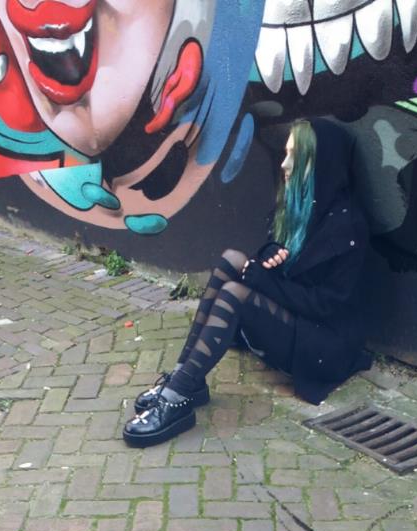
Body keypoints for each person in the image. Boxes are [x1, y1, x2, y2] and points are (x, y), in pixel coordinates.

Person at [123, 116, 373, 448]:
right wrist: (269, 254)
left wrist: (266, 281)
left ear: (318, 163)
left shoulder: (347, 229)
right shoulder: (302, 207)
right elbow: (282, 267)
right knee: (231, 260)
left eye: (294, 156)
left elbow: (324, 306)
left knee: (235, 295)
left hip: (323, 345)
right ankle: (186, 379)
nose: (284, 164)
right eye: (286, 153)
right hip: (298, 323)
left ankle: (177, 396)